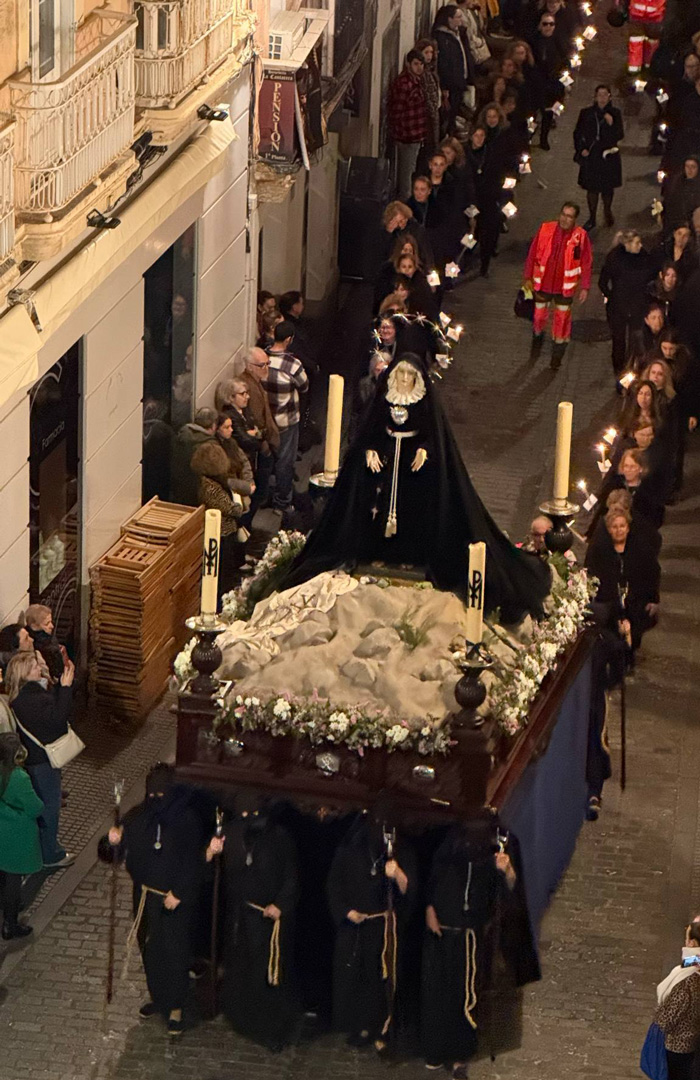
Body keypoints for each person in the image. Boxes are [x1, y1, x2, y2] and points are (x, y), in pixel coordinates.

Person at [282, 353, 551, 625]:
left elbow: (435, 434)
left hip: (413, 469)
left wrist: (425, 449)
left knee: (412, 511)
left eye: (409, 375)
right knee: (378, 509)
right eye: (400, 374)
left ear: (418, 378)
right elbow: (371, 429)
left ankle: (410, 555)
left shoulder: (423, 401)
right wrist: (370, 450)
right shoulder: (384, 399)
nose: (404, 379)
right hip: (386, 465)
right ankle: (378, 553)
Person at [105, 764, 208, 1037]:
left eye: (161, 793)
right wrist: (113, 841)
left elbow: (194, 862)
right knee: (149, 949)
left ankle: (175, 1006)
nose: (155, 798)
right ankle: (159, 997)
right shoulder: (138, 816)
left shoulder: (187, 820)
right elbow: (115, 852)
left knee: (174, 952)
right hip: (144, 895)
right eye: (152, 793)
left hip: (173, 900)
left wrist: (180, 892)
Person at [420, 819, 517, 1078]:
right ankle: (436, 1050)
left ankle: (459, 1056)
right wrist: (429, 909)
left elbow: (506, 894)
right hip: (441, 936)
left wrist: (506, 871)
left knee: (463, 997)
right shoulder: (447, 855)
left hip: (468, 939)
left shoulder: (490, 863)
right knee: (437, 995)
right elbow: (431, 883)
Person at [207, 794, 300, 1050]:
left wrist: (280, 905)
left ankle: (270, 1028)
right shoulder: (231, 832)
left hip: (268, 919)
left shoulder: (279, 838)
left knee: (267, 973)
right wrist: (211, 851)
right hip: (240, 917)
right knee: (242, 968)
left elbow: (291, 876)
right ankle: (241, 1018)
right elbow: (212, 864)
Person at [327, 803, 416, 1054]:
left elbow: (410, 891)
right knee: (354, 977)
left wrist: (398, 874)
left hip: (383, 926)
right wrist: (345, 911)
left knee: (381, 978)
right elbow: (334, 884)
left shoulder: (402, 852)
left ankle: (382, 1028)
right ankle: (360, 1025)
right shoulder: (350, 848)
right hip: (355, 925)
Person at [5, 650, 75, 869]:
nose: (39, 668)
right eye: (34, 666)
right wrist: (65, 689)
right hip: (42, 761)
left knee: (47, 805)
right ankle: (49, 855)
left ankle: (46, 848)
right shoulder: (32, 700)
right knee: (49, 808)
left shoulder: (22, 697)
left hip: (34, 758)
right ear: (25, 673)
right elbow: (57, 721)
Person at [585, 506, 660, 661]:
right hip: (610, 602)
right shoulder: (600, 550)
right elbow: (593, 575)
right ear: (609, 529)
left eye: (622, 526)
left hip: (636, 601)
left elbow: (652, 572)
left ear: (627, 527)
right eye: (615, 527)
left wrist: (653, 599)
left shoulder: (640, 548)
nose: (619, 530)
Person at [523, 202, 592, 369]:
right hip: (543, 284)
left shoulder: (581, 236)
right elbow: (533, 253)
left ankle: (557, 355)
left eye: (569, 216)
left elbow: (586, 262)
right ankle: (537, 338)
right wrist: (527, 277)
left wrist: (585, 286)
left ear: (575, 219)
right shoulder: (545, 229)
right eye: (563, 214)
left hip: (564, 288)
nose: (565, 219)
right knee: (539, 316)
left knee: (561, 322)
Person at [264, 320, 309, 523]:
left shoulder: (262, 358)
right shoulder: (292, 364)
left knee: (266, 460)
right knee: (285, 462)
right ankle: (282, 502)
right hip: (286, 421)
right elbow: (304, 386)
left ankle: (264, 495)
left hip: (266, 420)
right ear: (289, 339)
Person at [0, 732, 43, 940]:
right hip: (14, 833)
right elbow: (35, 807)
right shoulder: (18, 777)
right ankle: (10, 923)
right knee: (13, 879)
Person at [598, 230, 657, 377]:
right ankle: (619, 372)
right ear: (627, 244)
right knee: (619, 342)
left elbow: (651, 275)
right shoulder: (615, 258)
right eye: (637, 243)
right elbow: (603, 281)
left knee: (635, 341)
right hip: (618, 308)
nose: (640, 245)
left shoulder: (643, 256)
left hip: (637, 306)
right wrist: (611, 296)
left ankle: (633, 370)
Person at [190, 441, 245, 597]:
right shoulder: (210, 488)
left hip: (225, 532)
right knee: (224, 572)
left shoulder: (210, 482)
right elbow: (231, 509)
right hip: (221, 534)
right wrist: (238, 503)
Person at [574, 85, 624, 231]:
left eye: (605, 95)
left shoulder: (615, 113)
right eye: (599, 95)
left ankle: (607, 210)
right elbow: (578, 133)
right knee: (592, 188)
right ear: (595, 97)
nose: (602, 98)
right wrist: (581, 149)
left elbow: (619, 135)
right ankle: (592, 217)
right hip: (592, 155)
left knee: (608, 188)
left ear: (609, 97)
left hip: (609, 155)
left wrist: (611, 124)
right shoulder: (586, 113)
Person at [655, 920, 700, 1080]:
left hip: (679, 1045)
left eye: (687, 938)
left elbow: (667, 1020)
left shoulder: (687, 982)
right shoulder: (693, 963)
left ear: (692, 943)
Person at [239, 347, 280, 512]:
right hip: (260, 445)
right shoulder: (249, 387)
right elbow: (257, 419)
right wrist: (266, 443)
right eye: (262, 365)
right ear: (250, 367)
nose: (266, 368)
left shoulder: (255, 382)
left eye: (268, 363)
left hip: (264, 441)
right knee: (260, 488)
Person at [388, 51, 430, 198]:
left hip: (415, 135)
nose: (419, 68)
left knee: (409, 173)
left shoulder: (417, 81)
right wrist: (398, 131)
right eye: (416, 64)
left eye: (421, 64)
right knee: (405, 178)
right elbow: (397, 111)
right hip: (407, 136)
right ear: (408, 64)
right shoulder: (405, 84)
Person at [528, 10, 567, 150]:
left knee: (549, 114)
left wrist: (565, 81)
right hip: (536, 84)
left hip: (553, 84)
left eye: (551, 24)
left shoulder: (558, 40)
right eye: (545, 24)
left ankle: (544, 138)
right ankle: (529, 137)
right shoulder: (533, 41)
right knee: (532, 114)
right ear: (540, 25)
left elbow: (565, 60)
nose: (548, 27)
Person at [432, 6, 471, 134]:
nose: (461, 20)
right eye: (458, 17)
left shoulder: (458, 33)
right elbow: (444, 64)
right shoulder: (442, 38)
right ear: (449, 19)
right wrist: (445, 87)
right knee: (448, 114)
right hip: (451, 84)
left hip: (459, 79)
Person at [171, 407, 217, 506]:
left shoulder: (181, 435)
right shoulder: (210, 445)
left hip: (177, 487)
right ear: (213, 426)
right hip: (199, 492)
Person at [215, 378, 263, 464]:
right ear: (231, 397)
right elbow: (246, 441)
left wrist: (252, 433)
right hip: (241, 459)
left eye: (247, 393)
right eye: (242, 394)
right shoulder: (229, 416)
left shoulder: (245, 410)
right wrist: (256, 435)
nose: (247, 397)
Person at [24, 604, 65, 683]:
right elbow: (58, 671)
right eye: (47, 624)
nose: (52, 626)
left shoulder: (48, 639)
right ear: (34, 626)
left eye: (51, 622)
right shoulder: (46, 645)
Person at [662, 157, 700, 235]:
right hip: (678, 222)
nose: (689, 170)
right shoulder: (677, 183)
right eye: (687, 166)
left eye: (693, 167)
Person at [415, 39, 442, 147]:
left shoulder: (430, 69)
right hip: (428, 115)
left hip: (434, 111)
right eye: (426, 52)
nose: (429, 55)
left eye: (431, 52)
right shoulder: (423, 73)